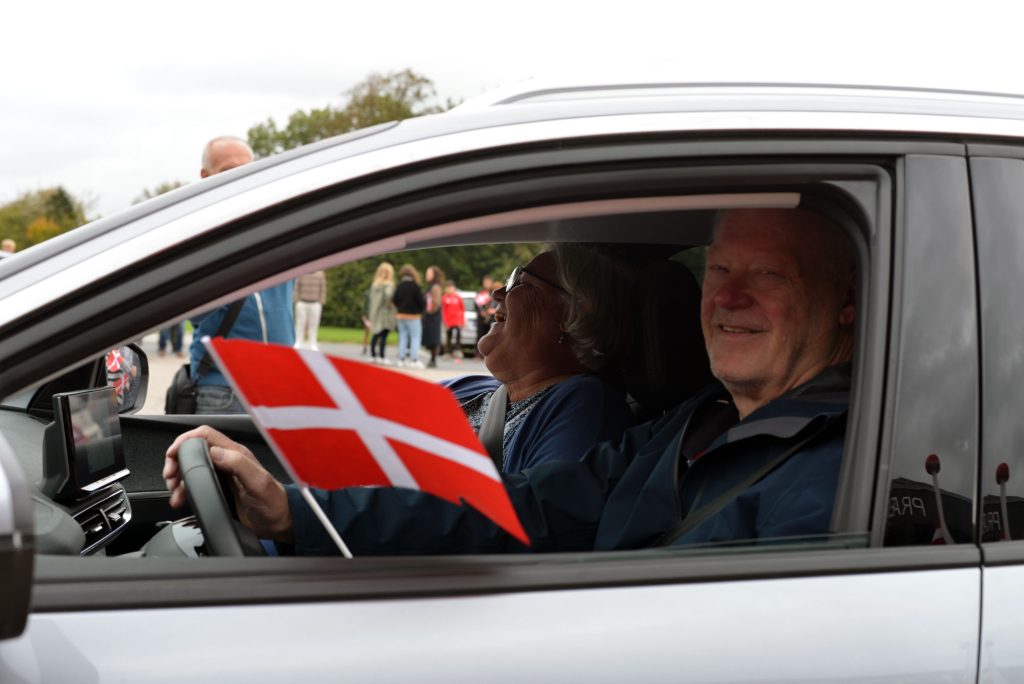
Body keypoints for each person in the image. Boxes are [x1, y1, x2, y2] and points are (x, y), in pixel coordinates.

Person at [164, 207, 857, 556]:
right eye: (720, 272)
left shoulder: (843, 472)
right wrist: (298, 512)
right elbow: (517, 508)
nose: (728, 299)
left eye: (767, 275)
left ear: (847, 307)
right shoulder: (694, 425)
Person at [442, 244, 636, 471]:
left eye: (521, 282)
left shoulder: (587, 407)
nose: (499, 293)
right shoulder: (470, 386)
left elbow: (534, 501)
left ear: (574, 312)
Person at [186, 137, 295, 414]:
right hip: (224, 388)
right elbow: (193, 312)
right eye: (228, 170)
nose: (240, 177)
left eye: (247, 169)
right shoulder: (198, 232)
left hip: (281, 385)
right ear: (205, 176)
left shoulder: (276, 225)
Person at [392, 264, 425, 368]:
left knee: (403, 337)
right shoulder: (415, 286)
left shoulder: (399, 285)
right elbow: (421, 302)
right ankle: (414, 360)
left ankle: (401, 359)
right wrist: (420, 311)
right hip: (413, 316)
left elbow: (394, 300)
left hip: (400, 315)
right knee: (415, 337)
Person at [366, 262, 397, 364]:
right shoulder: (388, 285)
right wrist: (390, 304)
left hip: (375, 312)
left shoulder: (374, 284)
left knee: (375, 334)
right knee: (383, 335)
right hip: (385, 313)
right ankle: (382, 356)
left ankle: (373, 355)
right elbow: (388, 296)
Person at [294, 270, 327, 351]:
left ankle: (312, 343)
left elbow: (323, 288)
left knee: (314, 324)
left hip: (315, 303)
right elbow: (297, 287)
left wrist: (321, 301)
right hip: (302, 302)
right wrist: (296, 300)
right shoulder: (301, 273)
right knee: (300, 323)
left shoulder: (320, 274)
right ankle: (298, 342)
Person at [421, 265, 445, 368]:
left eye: (429, 273)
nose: (427, 275)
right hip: (428, 315)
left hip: (433, 316)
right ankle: (432, 358)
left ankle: (433, 359)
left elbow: (436, 303)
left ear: (434, 275)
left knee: (433, 338)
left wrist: (430, 311)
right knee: (429, 338)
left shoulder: (435, 287)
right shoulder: (430, 286)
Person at [441, 280, 465, 359]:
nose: (450, 289)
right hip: (449, 321)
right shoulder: (445, 298)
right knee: (448, 336)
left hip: (457, 320)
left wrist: (462, 320)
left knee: (458, 335)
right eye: (448, 288)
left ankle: (458, 350)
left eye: (451, 288)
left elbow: (462, 309)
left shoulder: (458, 297)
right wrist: (445, 321)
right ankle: (447, 352)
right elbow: (443, 311)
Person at [474, 275, 494, 354]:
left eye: (488, 282)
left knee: (489, 335)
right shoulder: (480, 293)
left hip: (491, 318)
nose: (487, 284)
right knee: (480, 335)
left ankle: (488, 352)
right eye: (485, 282)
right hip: (481, 318)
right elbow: (476, 304)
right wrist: (481, 312)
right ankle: (478, 353)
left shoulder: (493, 293)